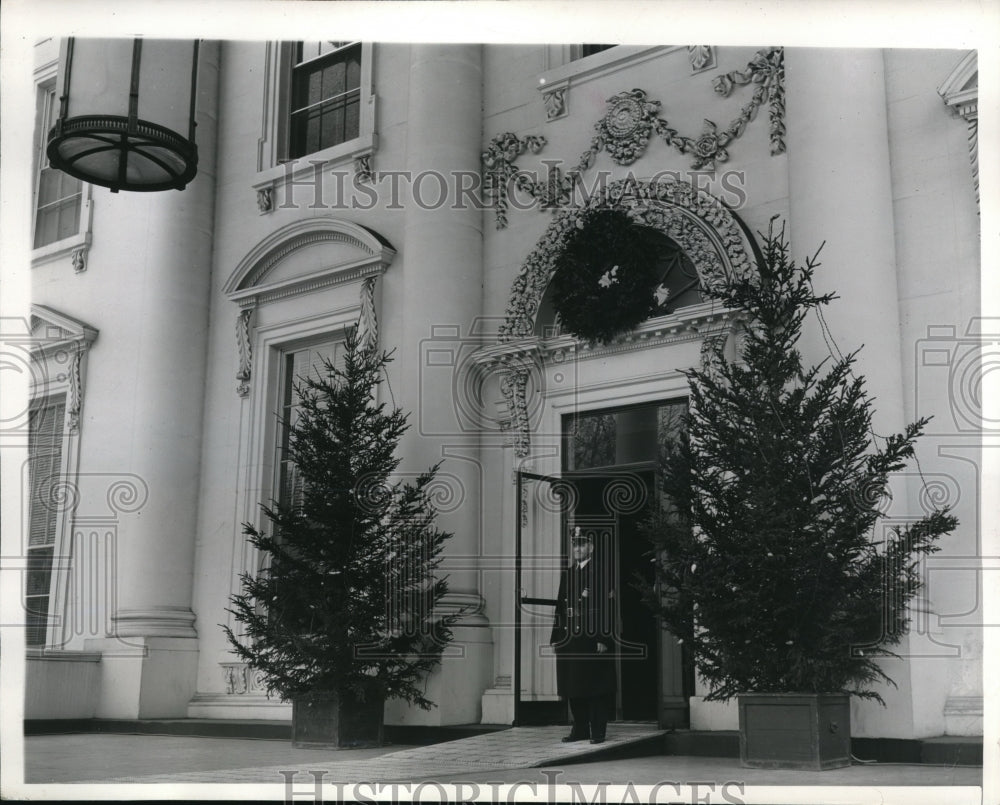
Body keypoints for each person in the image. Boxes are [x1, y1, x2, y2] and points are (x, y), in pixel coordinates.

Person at [550, 526, 617, 744]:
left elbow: (608, 608)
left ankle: (597, 731)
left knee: (595, 686)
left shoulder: (601, 571)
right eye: (575, 544)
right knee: (573, 685)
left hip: (592, 638)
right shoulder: (568, 573)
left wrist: (604, 638)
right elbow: (560, 607)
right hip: (570, 639)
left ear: (591, 547)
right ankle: (580, 729)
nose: (577, 548)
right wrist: (555, 637)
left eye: (582, 544)